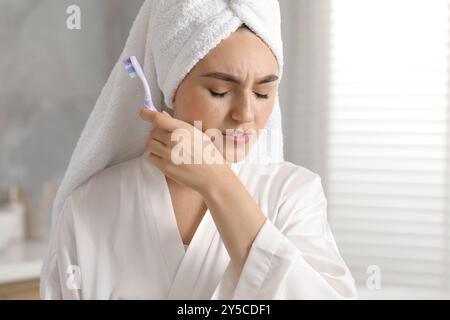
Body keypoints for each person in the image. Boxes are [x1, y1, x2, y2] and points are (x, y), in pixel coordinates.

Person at [40, 0, 357, 299]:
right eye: (219, 91)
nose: (245, 113)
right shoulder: (89, 209)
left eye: (262, 92)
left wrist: (217, 182)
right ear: (172, 87)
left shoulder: (292, 195)